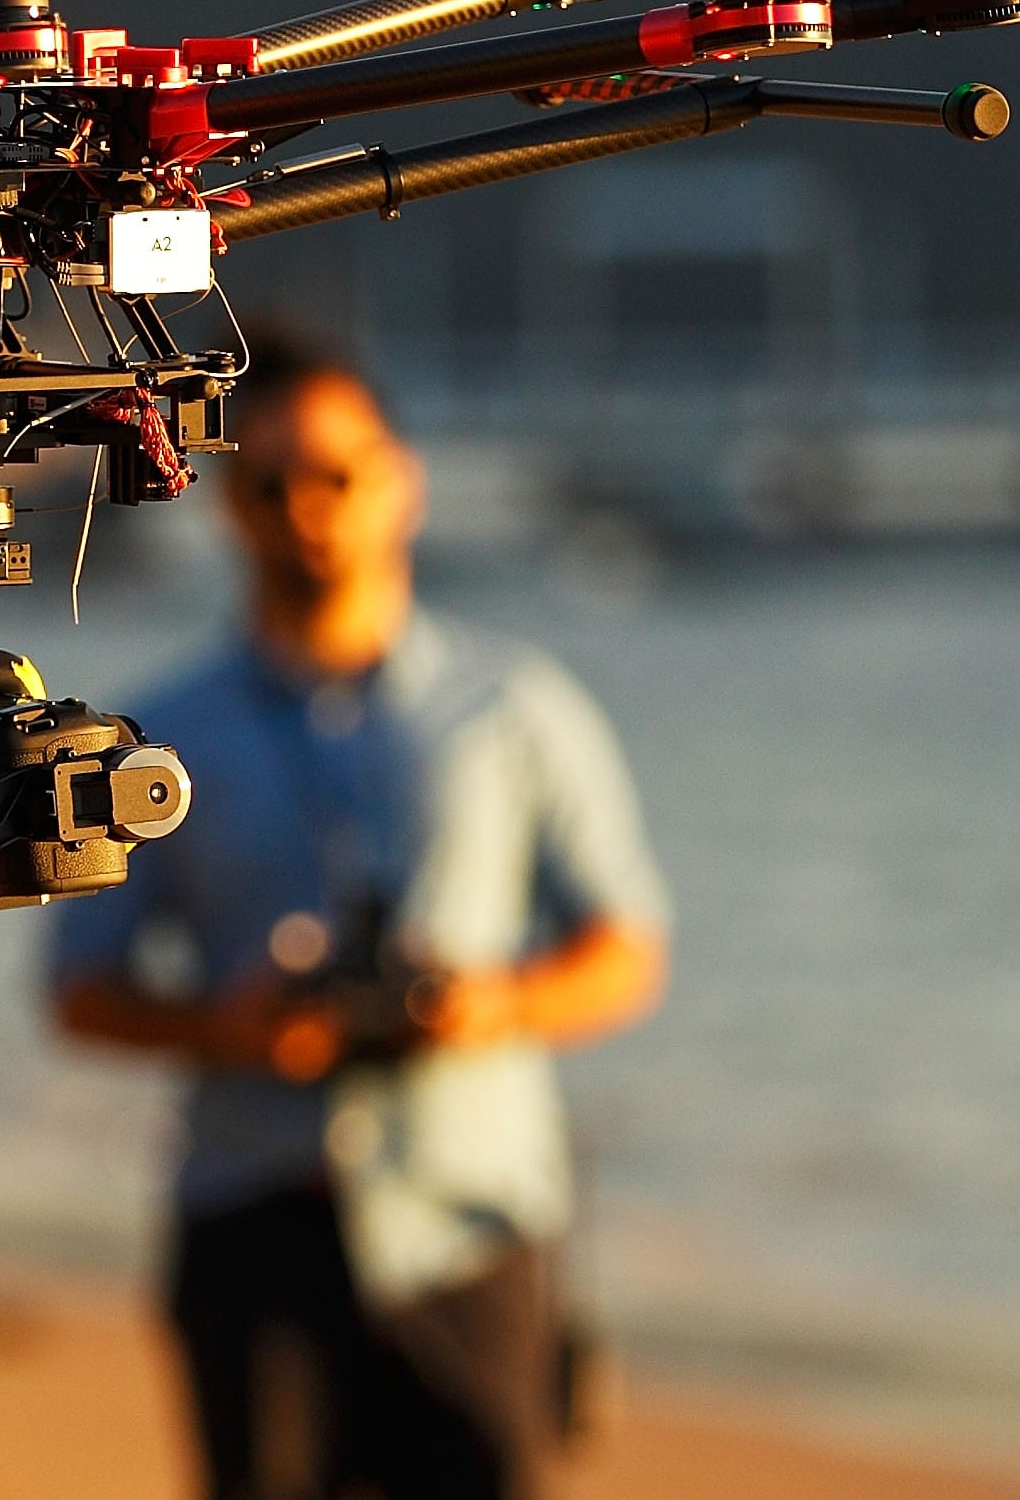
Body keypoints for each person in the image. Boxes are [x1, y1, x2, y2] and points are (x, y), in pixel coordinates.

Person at [45, 326, 670, 1500]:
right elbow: (78, 988)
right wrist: (233, 1029)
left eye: (339, 473)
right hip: (251, 1218)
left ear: (403, 480)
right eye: (274, 482)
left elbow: (628, 944)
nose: (310, 508)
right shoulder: (153, 740)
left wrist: (491, 1001)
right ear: (229, 506)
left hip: (473, 1217)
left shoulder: (517, 707)